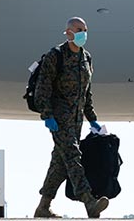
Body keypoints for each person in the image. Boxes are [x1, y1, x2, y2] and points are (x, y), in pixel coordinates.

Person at [33, 17, 109, 218]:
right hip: (59, 119)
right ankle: (89, 202)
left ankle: (43, 207)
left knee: (59, 164)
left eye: (85, 30)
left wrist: (91, 118)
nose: (83, 33)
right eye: (79, 30)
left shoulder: (86, 58)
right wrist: (47, 115)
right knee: (73, 157)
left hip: (76, 120)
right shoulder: (55, 56)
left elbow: (87, 92)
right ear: (68, 32)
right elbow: (42, 88)